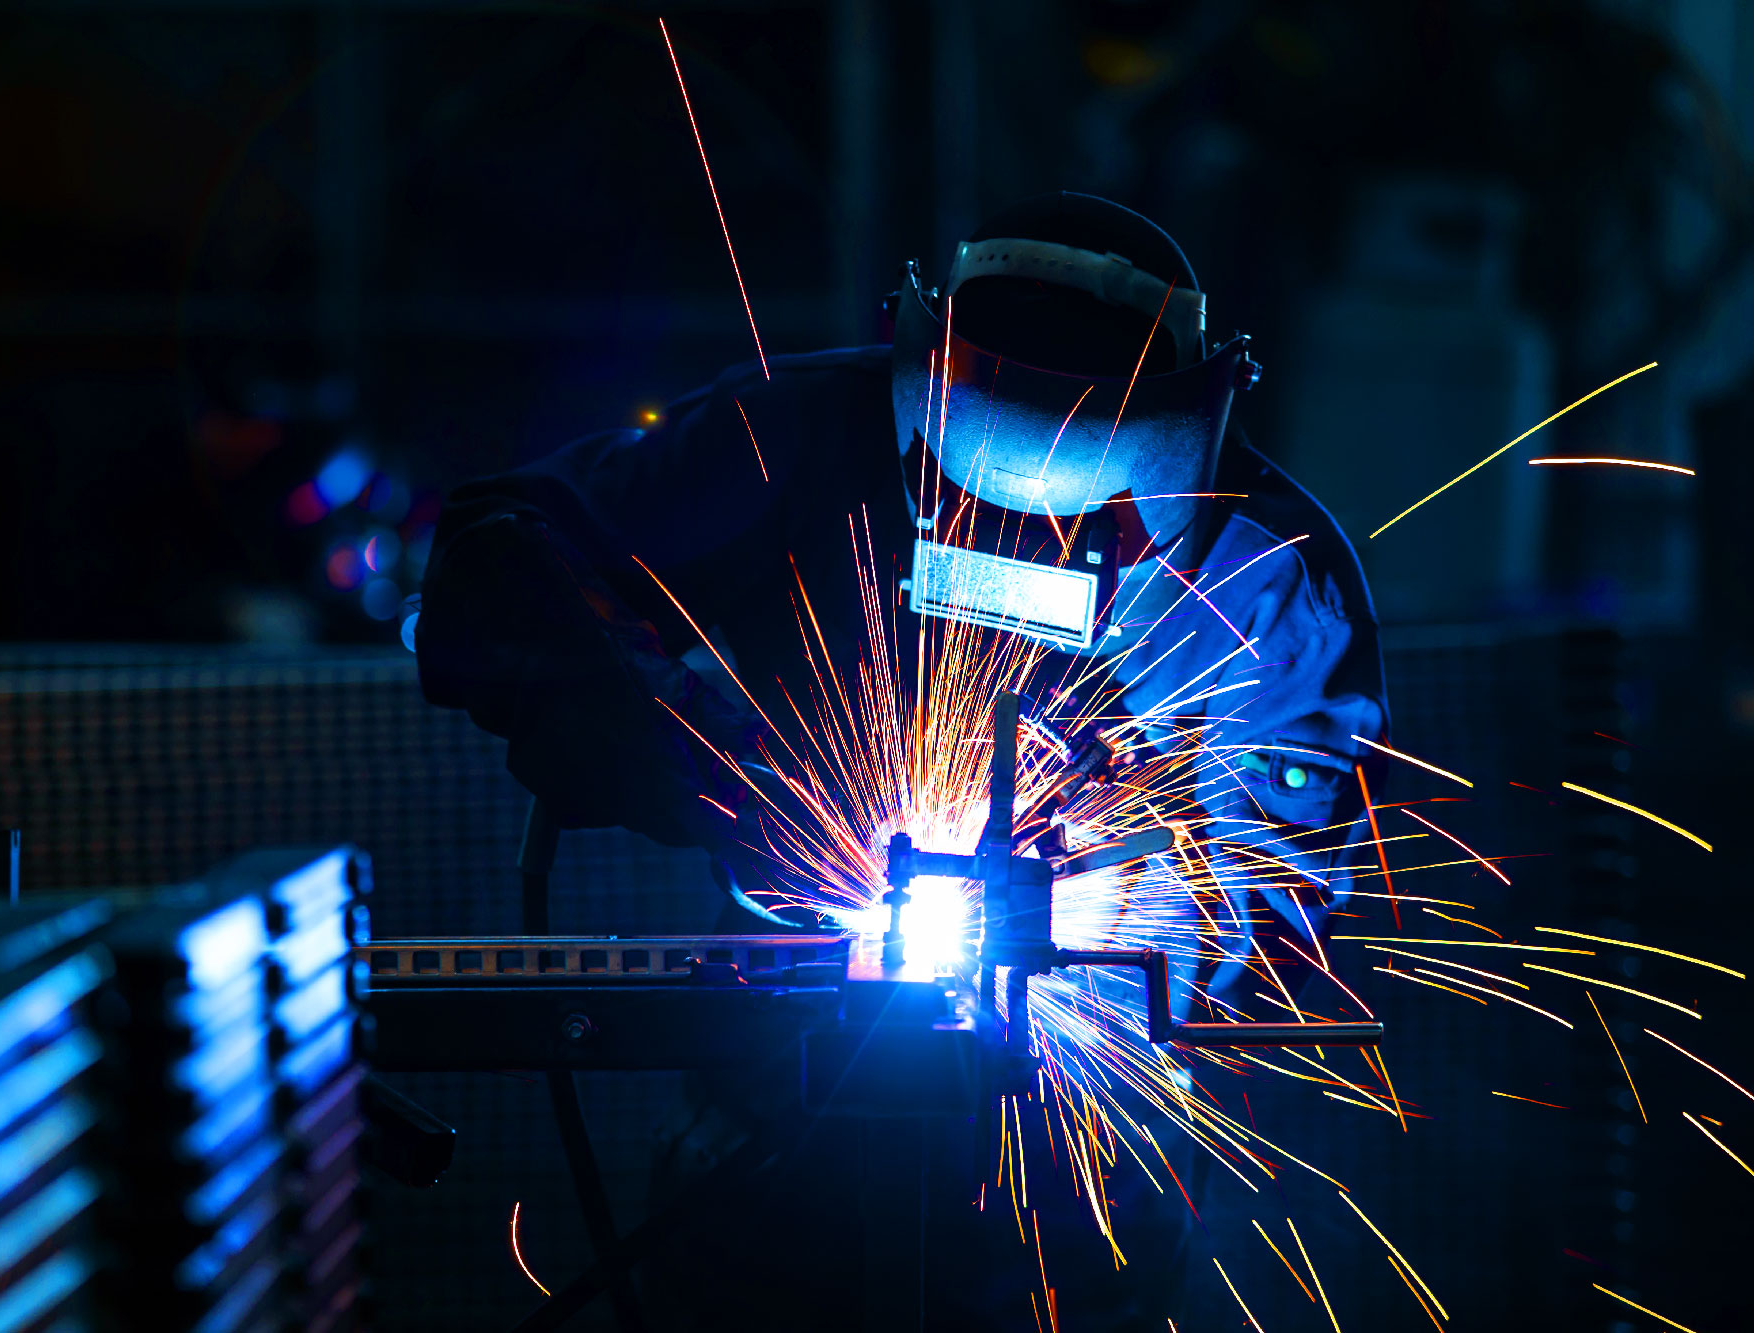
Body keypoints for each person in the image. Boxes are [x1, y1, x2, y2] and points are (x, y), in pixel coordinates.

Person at [416, 193, 1388, 1329]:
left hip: (1076, 1201)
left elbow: (1278, 886)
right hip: (768, 1141)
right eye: (972, 509)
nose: (1030, 549)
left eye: (1091, 523)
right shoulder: (803, 435)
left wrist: (1127, 891)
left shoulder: (1267, 577)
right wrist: (720, 769)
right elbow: (501, 556)